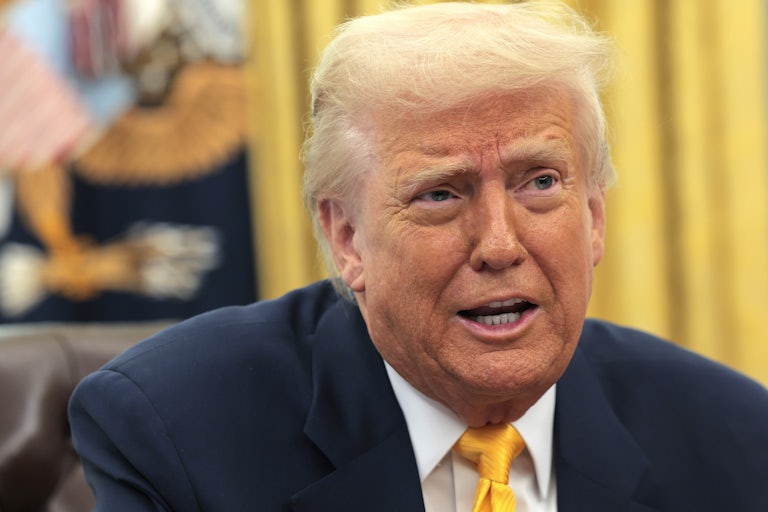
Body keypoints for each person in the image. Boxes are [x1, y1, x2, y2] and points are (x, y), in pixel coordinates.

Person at [68, 2, 768, 511]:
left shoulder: (734, 439)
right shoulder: (174, 427)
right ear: (346, 238)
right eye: (439, 194)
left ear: (593, 216)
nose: (500, 244)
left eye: (541, 183)